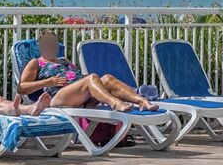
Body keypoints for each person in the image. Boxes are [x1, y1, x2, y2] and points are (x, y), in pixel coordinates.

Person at [15, 30, 157, 113]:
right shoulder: (36, 62)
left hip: (80, 93)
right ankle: (116, 103)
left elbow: (75, 76)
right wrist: (48, 82)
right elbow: (21, 88)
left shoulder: (63, 60)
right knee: (91, 78)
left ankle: (142, 101)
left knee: (107, 78)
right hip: (56, 97)